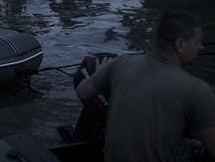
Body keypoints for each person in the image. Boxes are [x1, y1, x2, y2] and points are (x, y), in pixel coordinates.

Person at [76, 10, 215, 162]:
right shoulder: (197, 90)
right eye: (197, 42)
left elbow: (82, 91)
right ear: (180, 44)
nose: (200, 47)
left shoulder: (121, 63)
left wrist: (101, 71)